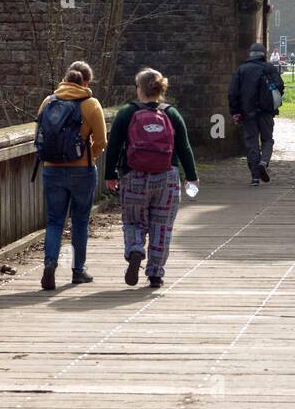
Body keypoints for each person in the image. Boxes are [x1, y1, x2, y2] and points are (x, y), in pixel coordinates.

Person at [104, 69, 198, 290]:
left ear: (139, 88)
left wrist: (110, 174)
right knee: (161, 226)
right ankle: (155, 273)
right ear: (160, 88)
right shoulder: (172, 113)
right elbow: (184, 147)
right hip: (166, 177)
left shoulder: (127, 112)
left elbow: (115, 146)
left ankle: (136, 248)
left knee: (133, 221)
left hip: (134, 176)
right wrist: (192, 177)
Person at [35, 61, 106, 290]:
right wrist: (89, 157)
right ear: (86, 81)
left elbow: (38, 135)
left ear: (65, 79)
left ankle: (50, 263)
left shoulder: (48, 101)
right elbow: (102, 141)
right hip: (82, 171)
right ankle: (77, 271)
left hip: (51, 168)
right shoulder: (91, 104)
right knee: (80, 221)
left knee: (55, 220)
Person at [228, 43, 285, 186]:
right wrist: (272, 101)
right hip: (266, 112)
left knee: (252, 144)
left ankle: (254, 177)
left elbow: (233, 93)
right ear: (263, 55)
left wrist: (235, 111)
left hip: (247, 113)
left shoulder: (241, 70)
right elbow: (280, 87)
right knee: (267, 140)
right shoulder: (269, 68)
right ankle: (264, 162)